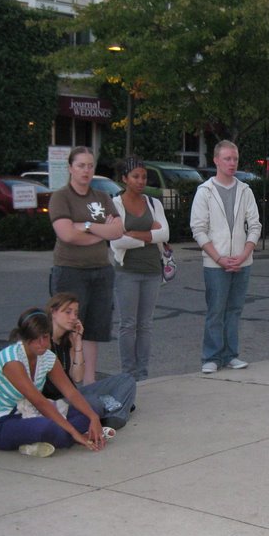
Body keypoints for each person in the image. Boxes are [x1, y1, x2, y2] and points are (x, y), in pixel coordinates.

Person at [0, 308, 107, 456]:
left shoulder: (48, 357)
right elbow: (39, 402)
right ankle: (65, 436)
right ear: (25, 338)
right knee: (48, 428)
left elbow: (70, 392)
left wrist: (93, 417)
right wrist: (74, 433)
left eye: (45, 337)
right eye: (35, 338)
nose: (42, 344)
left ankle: (43, 440)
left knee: (93, 410)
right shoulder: (12, 360)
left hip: (30, 413)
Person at [48, 146, 123, 385]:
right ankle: (65, 385)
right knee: (68, 329)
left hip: (101, 271)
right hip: (70, 272)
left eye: (90, 166)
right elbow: (67, 234)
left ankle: (89, 384)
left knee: (92, 330)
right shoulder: (61, 197)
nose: (86, 170)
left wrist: (87, 226)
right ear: (70, 168)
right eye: (81, 165)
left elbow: (118, 230)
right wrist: (102, 232)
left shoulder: (101, 197)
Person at [190, 140, 262, 374]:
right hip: (215, 262)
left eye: (235, 159)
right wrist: (219, 258)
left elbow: (255, 226)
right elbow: (199, 229)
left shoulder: (245, 190)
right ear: (216, 160)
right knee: (216, 311)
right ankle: (211, 356)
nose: (232, 163)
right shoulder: (205, 192)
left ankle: (231, 354)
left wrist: (243, 254)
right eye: (227, 159)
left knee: (234, 310)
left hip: (242, 260)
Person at [110, 156, 169, 380]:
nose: (141, 181)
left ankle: (142, 374)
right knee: (128, 324)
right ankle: (128, 373)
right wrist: (149, 236)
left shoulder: (154, 204)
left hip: (152, 270)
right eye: (135, 176)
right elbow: (117, 241)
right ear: (124, 178)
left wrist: (136, 234)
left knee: (145, 325)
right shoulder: (115, 204)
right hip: (128, 271)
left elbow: (165, 234)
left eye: (144, 176)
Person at [43, 292, 137, 428]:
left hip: (74, 395)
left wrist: (78, 343)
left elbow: (77, 377)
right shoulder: (42, 341)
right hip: (56, 401)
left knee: (126, 380)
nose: (73, 318)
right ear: (53, 312)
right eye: (68, 312)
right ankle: (115, 408)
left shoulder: (68, 339)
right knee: (95, 402)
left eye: (75, 313)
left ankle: (112, 416)